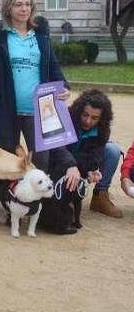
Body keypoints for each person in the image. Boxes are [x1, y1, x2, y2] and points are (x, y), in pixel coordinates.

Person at [0, 0, 80, 190]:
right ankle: (6, 204)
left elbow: (53, 66)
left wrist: (65, 86)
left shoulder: (40, 36)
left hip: (38, 110)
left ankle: (37, 206)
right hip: (6, 108)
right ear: (8, 7)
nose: (24, 9)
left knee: (41, 160)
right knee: (7, 160)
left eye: (27, 4)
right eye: (18, 4)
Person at [66, 89, 123, 218]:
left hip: (78, 167)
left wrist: (90, 170)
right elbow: (59, 152)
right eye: (85, 115)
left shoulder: (102, 129)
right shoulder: (66, 118)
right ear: (79, 110)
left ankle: (100, 196)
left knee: (112, 150)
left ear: (102, 118)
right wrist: (78, 166)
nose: (88, 121)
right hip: (61, 166)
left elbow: (94, 159)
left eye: (94, 118)